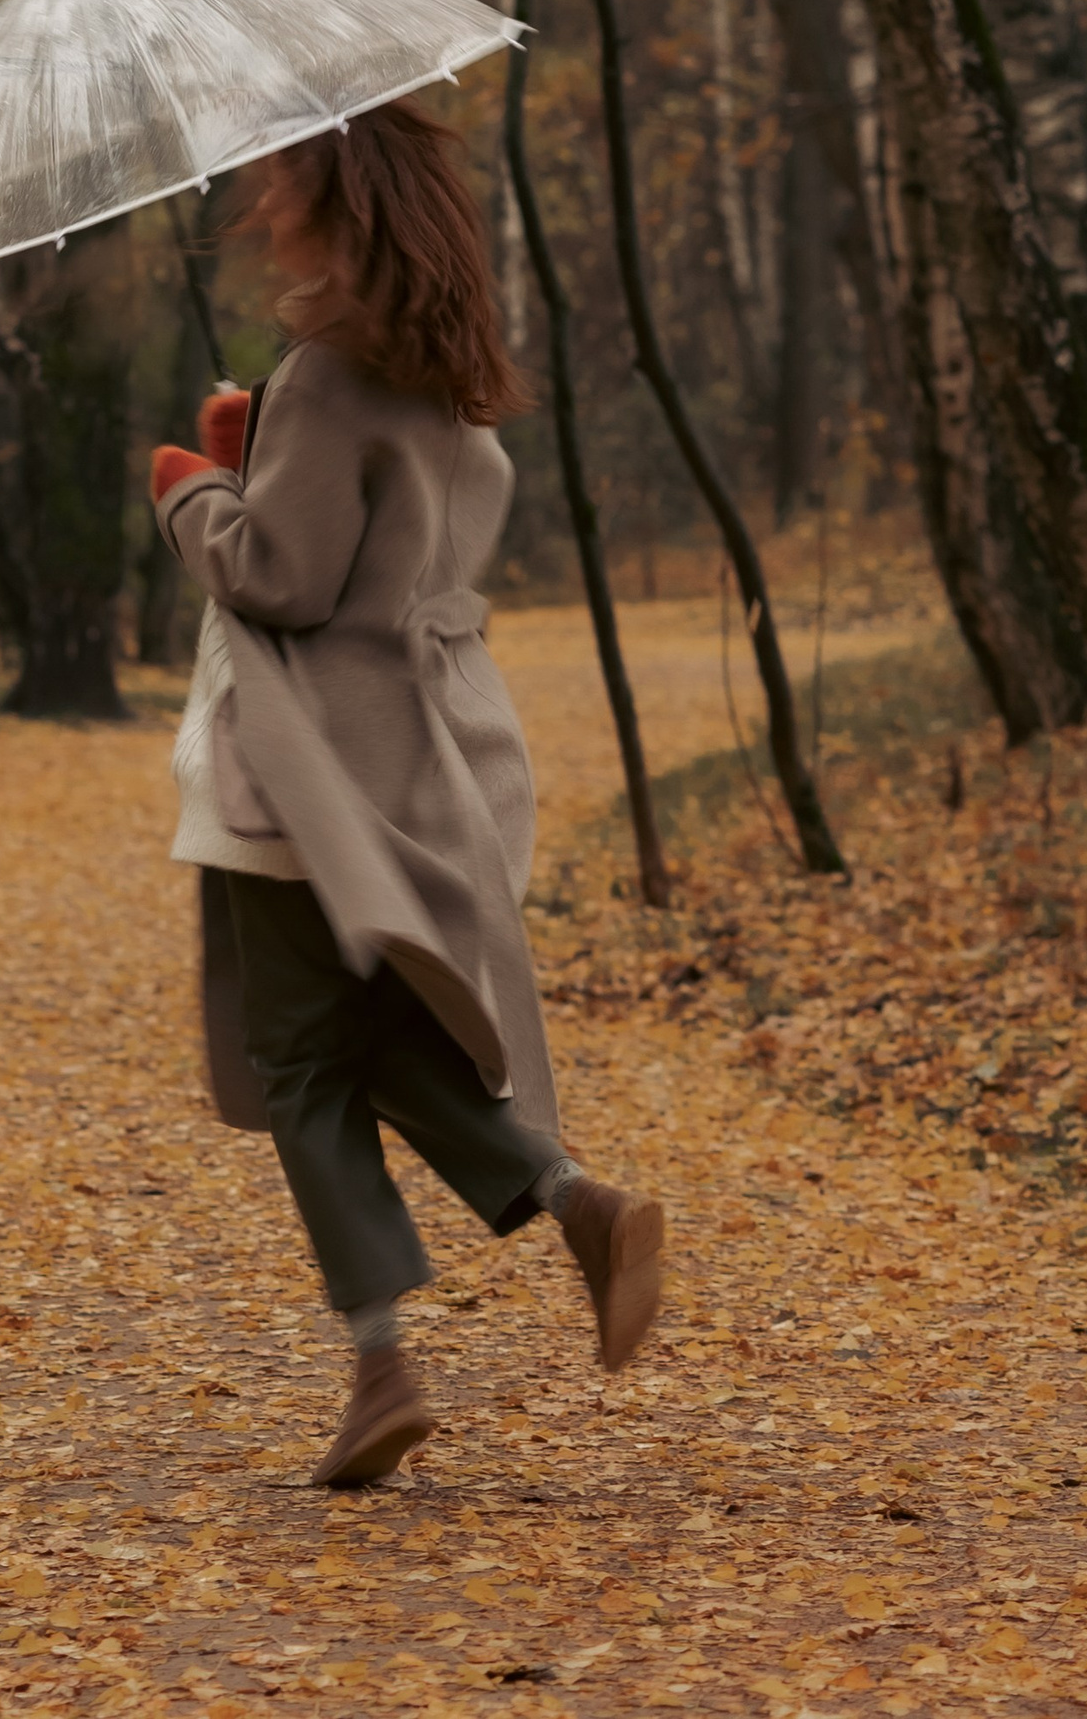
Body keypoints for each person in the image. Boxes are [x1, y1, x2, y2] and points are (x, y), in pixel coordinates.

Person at [151, 102, 664, 1489]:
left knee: (301, 1062)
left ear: (334, 199)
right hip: (416, 761)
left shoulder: (327, 371)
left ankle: (381, 1365)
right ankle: (575, 1197)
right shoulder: (444, 371)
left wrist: (192, 488)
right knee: (379, 1046)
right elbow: (376, 539)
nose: (259, 201)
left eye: (278, 180)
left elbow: (284, 579)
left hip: (303, 777)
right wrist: (257, 443)